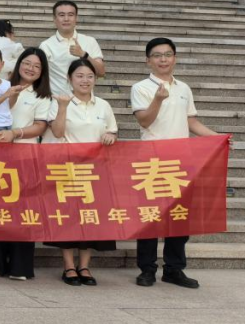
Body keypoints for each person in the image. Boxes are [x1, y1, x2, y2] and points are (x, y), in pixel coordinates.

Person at [130, 37, 222, 289]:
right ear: (148, 60)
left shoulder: (183, 88)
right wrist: (158, 99)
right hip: (152, 161)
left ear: (175, 58)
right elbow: (144, 121)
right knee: (150, 217)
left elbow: (191, 122)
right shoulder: (141, 88)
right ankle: (147, 269)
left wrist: (217, 137)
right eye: (157, 55)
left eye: (167, 54)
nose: (163, 59)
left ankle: (174, 269)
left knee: (179, 216)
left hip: (180, 162)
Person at [0, 47, 53, 281]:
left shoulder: (42, 96)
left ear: (42, 71)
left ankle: (20, 266)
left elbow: (40, 127)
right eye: (27, 63)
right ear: (18, 64)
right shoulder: (0, 85)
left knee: (23, 210)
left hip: (25, 156)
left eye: (37, 66)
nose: (31, 68)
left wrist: (14, 133)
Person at [45, 59, 118, 286]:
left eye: (89, 76)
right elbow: (57, 132)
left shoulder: (103, 105)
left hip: (95, 170)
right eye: (79, 76)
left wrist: (111, 136)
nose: (85, 80)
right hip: (67, 169)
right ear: (69, 79)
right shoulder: (58, 102)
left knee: (90, 218)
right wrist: (63, 107)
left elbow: (112, 131)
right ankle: (68, 266)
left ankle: (84, 266)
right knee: (68, 217)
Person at [40, 0, 105, 97]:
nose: (66, 19)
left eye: (70, 15)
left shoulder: (90, 41)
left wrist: (84, 55)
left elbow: (101, 72)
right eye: (61, 15)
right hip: (58, 102)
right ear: (54, 19)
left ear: (76, 18)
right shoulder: (46, 45)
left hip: (84, 102)